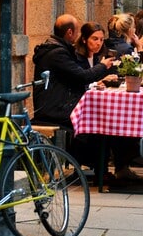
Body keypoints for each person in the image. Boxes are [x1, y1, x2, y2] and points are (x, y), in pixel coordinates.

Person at [32, 14, 117, 166]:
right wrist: (103, 66)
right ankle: (95, 168)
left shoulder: (59, 50)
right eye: (77, 31)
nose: (78, 35)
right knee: (97, 123)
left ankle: (98, 168)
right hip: (55, 108)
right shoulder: (58, 53)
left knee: (101, 120)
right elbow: (82, 76)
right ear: (70, 32)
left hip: (59, 104)